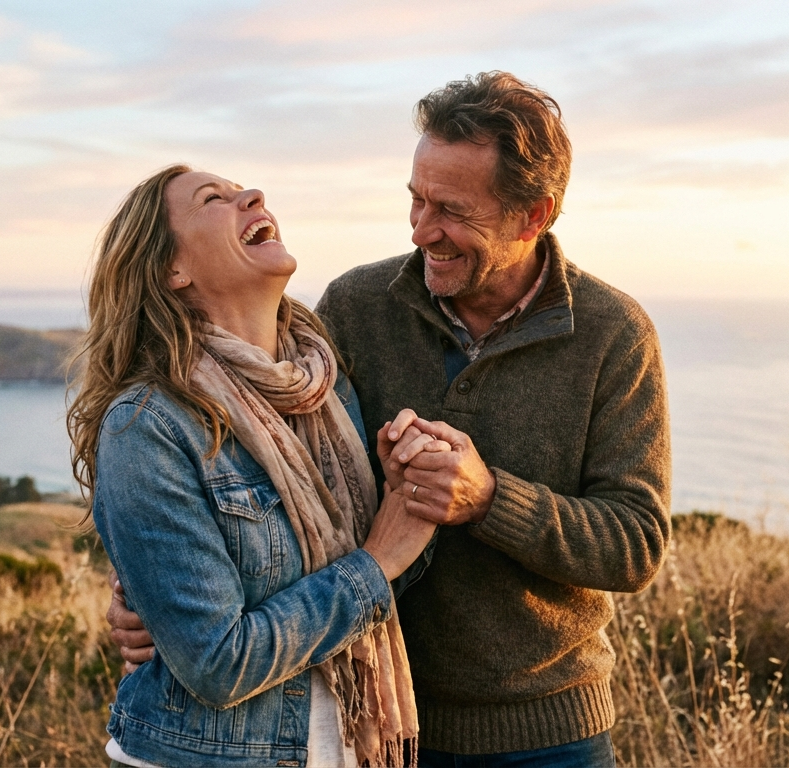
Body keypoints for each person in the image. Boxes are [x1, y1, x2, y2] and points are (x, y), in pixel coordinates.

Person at [110, 72, 672, 766]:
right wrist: (151, 603)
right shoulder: (352, 308)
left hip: (549, 734)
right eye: (416, 199)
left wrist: (490, 499)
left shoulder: (614, 335)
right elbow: (269, 482)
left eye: (453, 211)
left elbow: (637, 543)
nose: (421, 229)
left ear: (533, 215)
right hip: (377, 724)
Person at [69, 164, 450, 767]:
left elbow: (377, 581)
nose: (252, 195)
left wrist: (408, 492)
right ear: (173, 269)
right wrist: (379, 560)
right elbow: (219, 663)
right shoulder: (148, 425)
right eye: (212, 199)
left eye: (243, 188)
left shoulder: (323, 389)